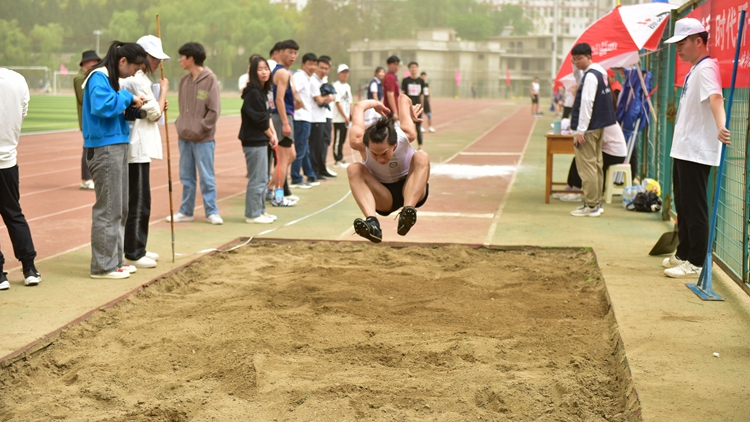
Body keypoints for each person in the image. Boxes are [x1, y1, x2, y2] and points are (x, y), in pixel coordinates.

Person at [661, 18, 731, 278]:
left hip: (696, 150)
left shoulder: (707, 68)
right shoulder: (695, 68)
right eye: (676, 44)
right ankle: (684, 252)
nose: (678, 49)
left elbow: (716, 98)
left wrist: (721, 125)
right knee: (683, 203)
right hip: (684, 148)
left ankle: (696, 261)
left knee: (694, 206)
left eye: (682, 43)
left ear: (698, 41)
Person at [81, 41, 148, 279]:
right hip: (104, 147)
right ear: (123, 61)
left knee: (119, 208)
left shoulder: (110, 79)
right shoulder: (98, 76)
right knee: (108, 209)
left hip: (116, 144)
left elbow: (113, 107)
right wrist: (127, 97)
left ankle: (115, 260)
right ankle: (103, 266)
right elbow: (102, 106)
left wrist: (130, 104)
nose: (133, 73)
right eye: (134, 68)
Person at [346, 94, 430, 243]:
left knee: (421, 156)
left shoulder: (406, 135)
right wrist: (374, 103)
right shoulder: (359, 142)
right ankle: (372, 224)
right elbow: (358, 106)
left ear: (395, 144)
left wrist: (410, 112)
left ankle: (407, 212)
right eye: (374, 154)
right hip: (384, 197)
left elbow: (403, 98)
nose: (380, 159)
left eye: (385, 153)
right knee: (353, 168)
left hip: (412, 189)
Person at [119, 35, 169, 269]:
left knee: (139, 199)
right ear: (143, 56)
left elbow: (153, 110)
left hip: (138, 146)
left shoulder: (141, 79)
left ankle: (137, 247)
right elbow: (154, 113)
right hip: (136, 146)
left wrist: (158, 103)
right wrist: (163, 93)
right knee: (139, 201)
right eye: (154, 57)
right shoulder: (137, 79)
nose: (158, 62)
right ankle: (134, 251)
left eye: (160, 58)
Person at [169, 42, 223, 225]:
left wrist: (202, 127)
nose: (180, 60)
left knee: (207, 176)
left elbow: (214, 110)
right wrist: (182, 125)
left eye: (182, 57)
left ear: (190, 58)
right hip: (184, 137)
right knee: (186, 176)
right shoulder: (184, 81)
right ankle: (186, 211)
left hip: (203, 139)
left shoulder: (210, 80)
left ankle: (212, 211)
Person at [0, 66, 42, 290]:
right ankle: (29, 268)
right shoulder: (17, 79)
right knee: (14, 214)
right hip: (7, 161)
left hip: (7, 159)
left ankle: (0, 275)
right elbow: (22, 112)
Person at [569, 42, 617, 217]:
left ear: (589, 57)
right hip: (598, 126)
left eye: (579, 59)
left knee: (587, 167)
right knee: (596, 166)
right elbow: (580, 81)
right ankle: (596, 203)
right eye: (574, 59)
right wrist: (574, 67)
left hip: (588, 129)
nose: (576, 62)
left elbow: (587, 102)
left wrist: (580, 130)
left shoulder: (590, 76)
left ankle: (591, 205)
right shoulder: (600, 72)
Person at [240, 56, 280, 224]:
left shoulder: (262, 92)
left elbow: (267, 116)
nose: (264, 72)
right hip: (253, 141)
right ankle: (252, 214)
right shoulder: (253, 93)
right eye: (259, 69)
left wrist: (273, 134)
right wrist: (270, 135)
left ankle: (261, 211)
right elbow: (259, 120)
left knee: (263, 178)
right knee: (257, 178)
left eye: (266, 69)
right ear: (253, 72)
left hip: (262, 140)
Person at [269, 39, 299, 207]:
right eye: (289, 52)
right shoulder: (282, 73)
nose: (293, 56)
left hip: (284, 116)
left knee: (291, 156)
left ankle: (269, 188)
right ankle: (278, 197)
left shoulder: (284, 73)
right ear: (280, 53)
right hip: (282, 118)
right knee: (282, 159)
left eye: (295, 53)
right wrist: (285, 123)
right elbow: (279, 100)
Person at [289, 52, 318, 189]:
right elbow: (291, 89)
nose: (312, 67)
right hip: (300, 118)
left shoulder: (306, 77)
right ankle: (296, 178)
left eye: (314, 64)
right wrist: (298, 102)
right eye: (310, 64)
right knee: (300, 149)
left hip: (305, 118)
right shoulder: (300, 76)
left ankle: (310, 174)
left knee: (304, 148)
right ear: (303, 64)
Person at [74, 50, 100, 190]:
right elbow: (83, 98)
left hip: (92, 118)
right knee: (88, 149)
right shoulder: (80, 78)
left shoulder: (89, 76)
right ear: (86, 62)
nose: (96, 63)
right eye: (93, 61)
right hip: (87, 119)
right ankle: (86, 179)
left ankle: (90, 177)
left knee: (93, 148)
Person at [309, 55, 335, 179]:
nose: (323, 70)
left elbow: (330, 98)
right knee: (314, 147)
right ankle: (313, 172)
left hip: (322, 117)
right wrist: (326, 98)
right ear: (316, 67)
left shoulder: (322, 81)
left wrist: (327, 98)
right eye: (321, 67)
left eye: (326, 68)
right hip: (313, 118)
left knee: (320, 145)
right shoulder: (313, 81)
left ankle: (319, 170)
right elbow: (320, 100)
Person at [401, 62, 425, 149]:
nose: (413, 69)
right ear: (409, 69)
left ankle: (420, 146)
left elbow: (422, 95)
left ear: (417, 69)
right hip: (408, 107)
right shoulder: (405, 80)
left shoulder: (421, 81)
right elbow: (403, 94)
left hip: (417, 106)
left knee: (418, 127)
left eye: (415, 67)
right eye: (411, 67)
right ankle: (406, 145)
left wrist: (422, 106)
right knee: (406, 127)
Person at [332, 63, 352, 168]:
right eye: (343, 72)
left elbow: (349, 102)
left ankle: (341, 157)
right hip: (338, 118)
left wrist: (350, 115)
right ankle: (337, 159)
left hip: (346, 118)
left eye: (346, 72)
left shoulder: (347, 86)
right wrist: (345, 116)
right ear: (338, 74)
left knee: (343, 139)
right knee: (338, 139)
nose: (345, 74)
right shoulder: (336, 86)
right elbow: (338, 102)